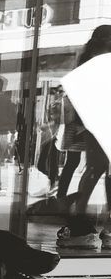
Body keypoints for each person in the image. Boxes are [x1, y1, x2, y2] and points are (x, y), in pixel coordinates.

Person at [58, 25, 111, 249]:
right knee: (98, 169)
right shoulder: (94, 60)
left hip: (97, 121)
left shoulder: (90, 58)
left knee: (96, 169)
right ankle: (88, 223)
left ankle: (82, 223)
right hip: (97, 121)